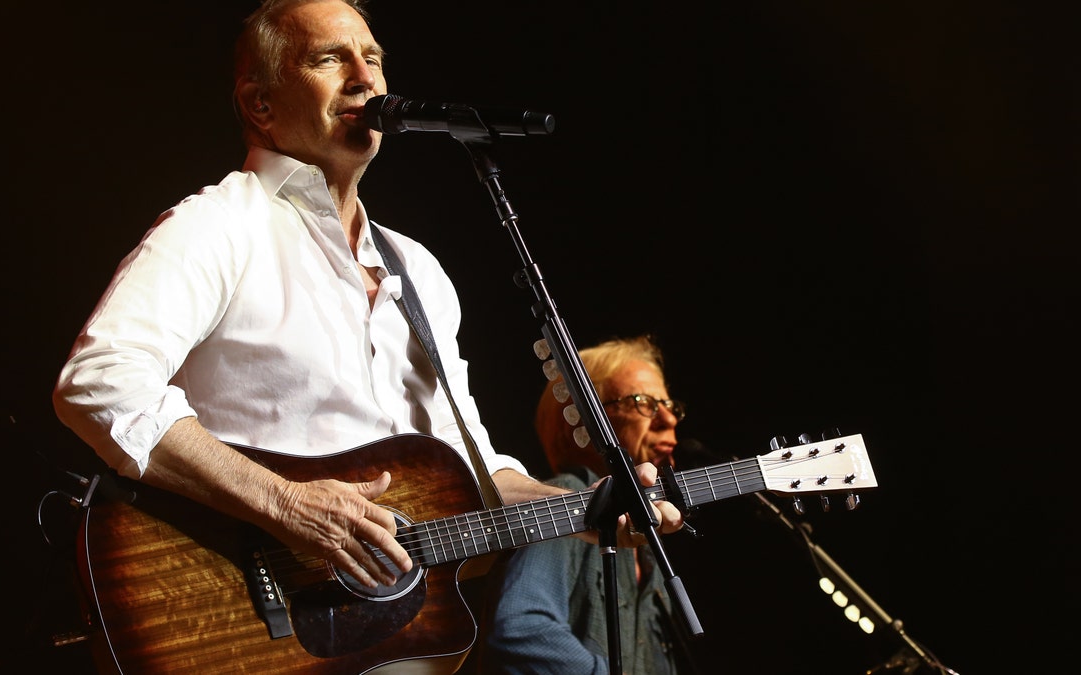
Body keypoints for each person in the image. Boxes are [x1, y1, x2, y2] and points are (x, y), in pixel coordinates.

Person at [51, 0, 682, 667]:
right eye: (329, 58)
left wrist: (590, 508)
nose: (364, 76)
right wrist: (283, 503)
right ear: (260, 103)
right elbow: (99, 383)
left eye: (373, 57)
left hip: (387, 639)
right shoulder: (218, 226)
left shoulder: (421, 272)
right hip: (247, 620)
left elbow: (476, 472)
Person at [479, 335, 697, 675]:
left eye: (670, 407)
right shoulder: (568, 499)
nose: (669, 421)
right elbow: (520, 629)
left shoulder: (646, 545)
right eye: (643, 403)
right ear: (576, 423)